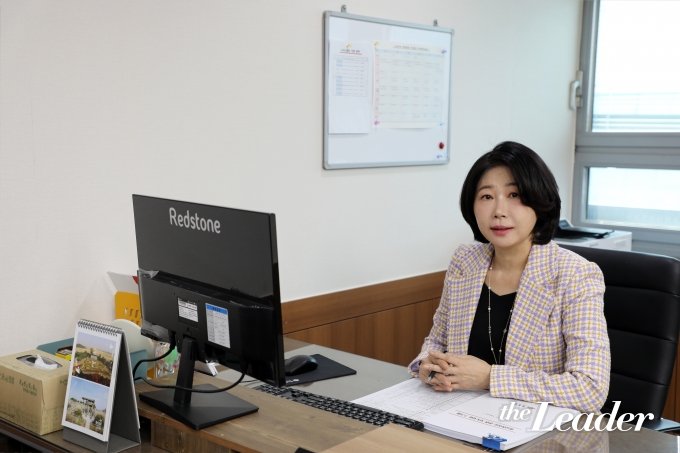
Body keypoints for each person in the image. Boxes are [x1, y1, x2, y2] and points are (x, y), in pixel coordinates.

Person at [408, 141, 610, 413]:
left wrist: (490, 378)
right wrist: (428, 367)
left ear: (540, 201)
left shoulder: (575, 275)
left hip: (538, 428)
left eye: (514, 195)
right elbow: (437, 342)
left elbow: (590, 388)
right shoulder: (465, 261)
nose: (499, 211)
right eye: (486, 197)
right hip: (459, 416)